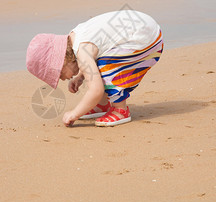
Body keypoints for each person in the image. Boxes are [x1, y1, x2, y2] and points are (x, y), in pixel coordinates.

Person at [26, 10, 163, 127]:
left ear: (62, 61)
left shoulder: (82, 51)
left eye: (59, 74)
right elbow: (92, 58)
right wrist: (80, 76)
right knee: (96, 67)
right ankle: (102, 105)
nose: (63, 79)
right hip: (144, 29)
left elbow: (96, 90)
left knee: (105, 66)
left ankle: (120, 110)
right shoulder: (76, 39)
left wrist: (75, 113)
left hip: (145, 38)